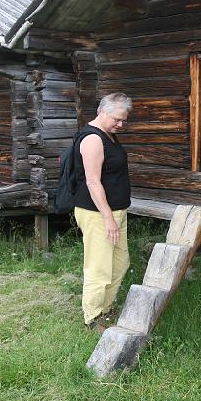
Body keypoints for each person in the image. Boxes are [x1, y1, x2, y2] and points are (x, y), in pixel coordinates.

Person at [75, 92, 132, 332]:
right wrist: (108, 218)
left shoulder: (109, 134)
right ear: (103, 111)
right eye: (117, 119)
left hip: (115, 212)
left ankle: (106, 309)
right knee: (99, 268)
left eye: (124, 121)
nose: (121, 124)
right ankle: (92, 318)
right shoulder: (92, 139)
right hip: (98, 215)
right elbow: (93, 182)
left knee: (120, 264)